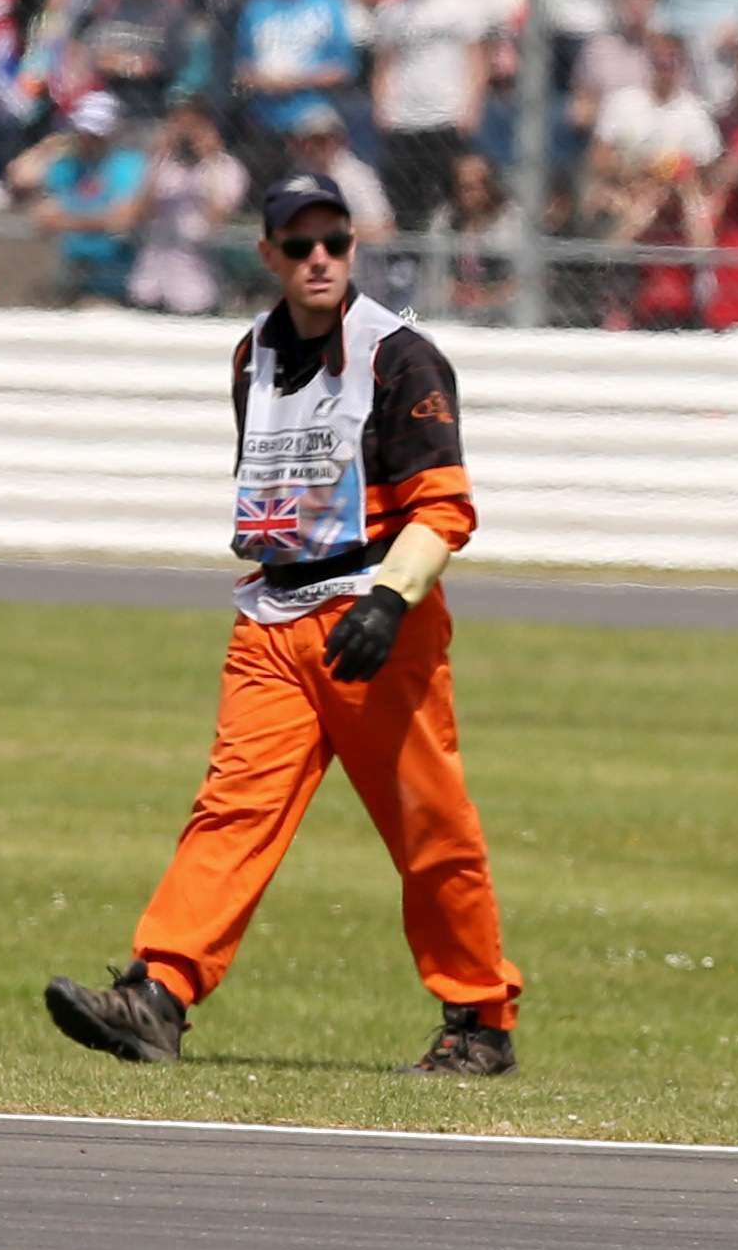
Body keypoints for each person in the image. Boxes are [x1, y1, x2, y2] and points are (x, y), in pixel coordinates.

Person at [42, 172, 522, 1076]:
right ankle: (159, 993)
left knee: (430, 825)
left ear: (353, 249)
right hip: (272, 612)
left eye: (334, 243)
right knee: (232, 810)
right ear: (266, 255)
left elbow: (444, 508)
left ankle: (479, 1018)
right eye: (298, 246)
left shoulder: (400, 356)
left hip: (375, 615)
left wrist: (390, 598)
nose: (318, 260)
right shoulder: (248, 355)